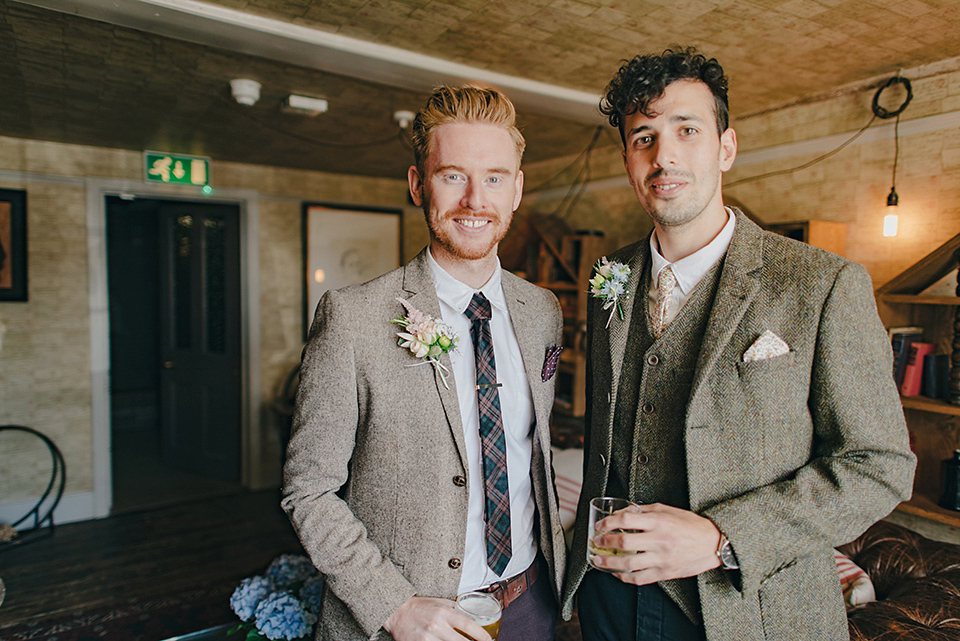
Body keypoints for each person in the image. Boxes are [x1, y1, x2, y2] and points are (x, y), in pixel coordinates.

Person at [561, 47, 916, 641]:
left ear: (726, 147)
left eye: (687, 130)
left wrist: (726, 538)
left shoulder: (822, 284)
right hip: (608, 598)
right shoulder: (609, 279)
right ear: (627, 158)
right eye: (642, 137)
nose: (663, 155)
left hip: (749, 608)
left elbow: (878, 466)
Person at [283, 84, 566, 641]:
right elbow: (308, 490)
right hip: (407, 622)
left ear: (516, 189)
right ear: (418, 185)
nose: (475, 201)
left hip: (531, 603)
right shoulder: (353, 317)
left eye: (494, 177)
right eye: (452, 175)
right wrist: (393, 606)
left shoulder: (543, 311)